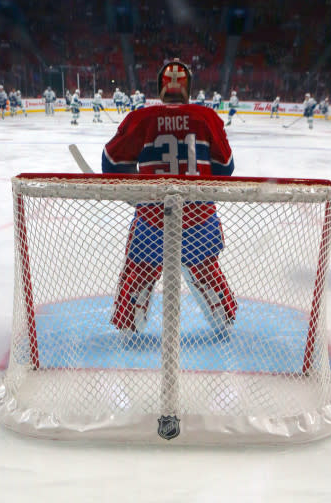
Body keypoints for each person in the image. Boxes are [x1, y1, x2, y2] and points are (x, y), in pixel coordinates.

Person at [101, 58, 236, 334]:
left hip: (152, 218)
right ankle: (225, 320)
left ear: (160, 89)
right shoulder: (207, 117)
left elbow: (111, 163)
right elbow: (226, 168)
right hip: (200, 217)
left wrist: (136, 192)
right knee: (207, 271)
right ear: (188, 91)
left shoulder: (140, 118)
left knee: (138, 272)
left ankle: (131, 327)